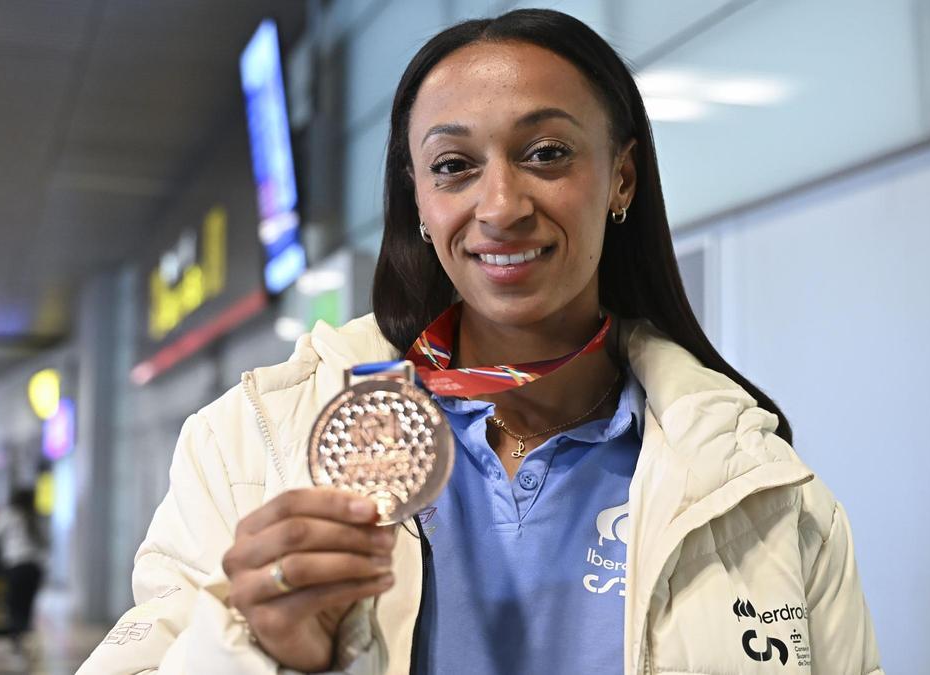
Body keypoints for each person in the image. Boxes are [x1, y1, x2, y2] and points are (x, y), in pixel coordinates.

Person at [80, 9, 881, 674]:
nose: (500, 205)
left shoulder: (758, 488)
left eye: (547, 154)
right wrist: (259, 648)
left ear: (622, 178)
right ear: (420, 202)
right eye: (454, 165)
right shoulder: (252, 446)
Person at [0, 487, 47, 648]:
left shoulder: (8, 515)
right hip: (34, 568)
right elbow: (45, 543)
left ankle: (16, 641)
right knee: (25, 606)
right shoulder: (35, 517)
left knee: (13, 605)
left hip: (16, 566)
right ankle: (21, 640)